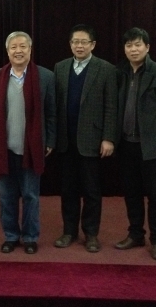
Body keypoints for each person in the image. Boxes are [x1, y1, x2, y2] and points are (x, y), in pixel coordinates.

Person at [114, 27, 156, 261]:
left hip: (152, 146)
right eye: (129, 45)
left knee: (155, 196)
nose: (133, 49)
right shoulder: (119, 72)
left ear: (147, 47)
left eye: (138, 45)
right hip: (126, 144)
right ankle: (135, 234)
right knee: (131, 193)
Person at [0, 31, 56, 254]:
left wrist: (50, 139)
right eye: (14, 47)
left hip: (31, 148)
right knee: (6, 198)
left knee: (30, 196)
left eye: (23, 47)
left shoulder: (45, 76)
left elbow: (51, 112)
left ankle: (29, 237)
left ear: (30, 49)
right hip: (4, 148)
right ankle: (10, 236)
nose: (18, 51)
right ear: (7, 51)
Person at [53, 24, 117, 253]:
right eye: (75, 42)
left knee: (91, 190)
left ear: (93, 44)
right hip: (65, 139)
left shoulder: (106, 69)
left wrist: (108, 137)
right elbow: (55, 105)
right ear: (70, 44)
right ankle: (69, 231)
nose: (79, 46)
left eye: (84, 42)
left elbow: (111, 106)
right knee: (68, 189)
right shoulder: (60, 67)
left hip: (92, 139)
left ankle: (91, 234)